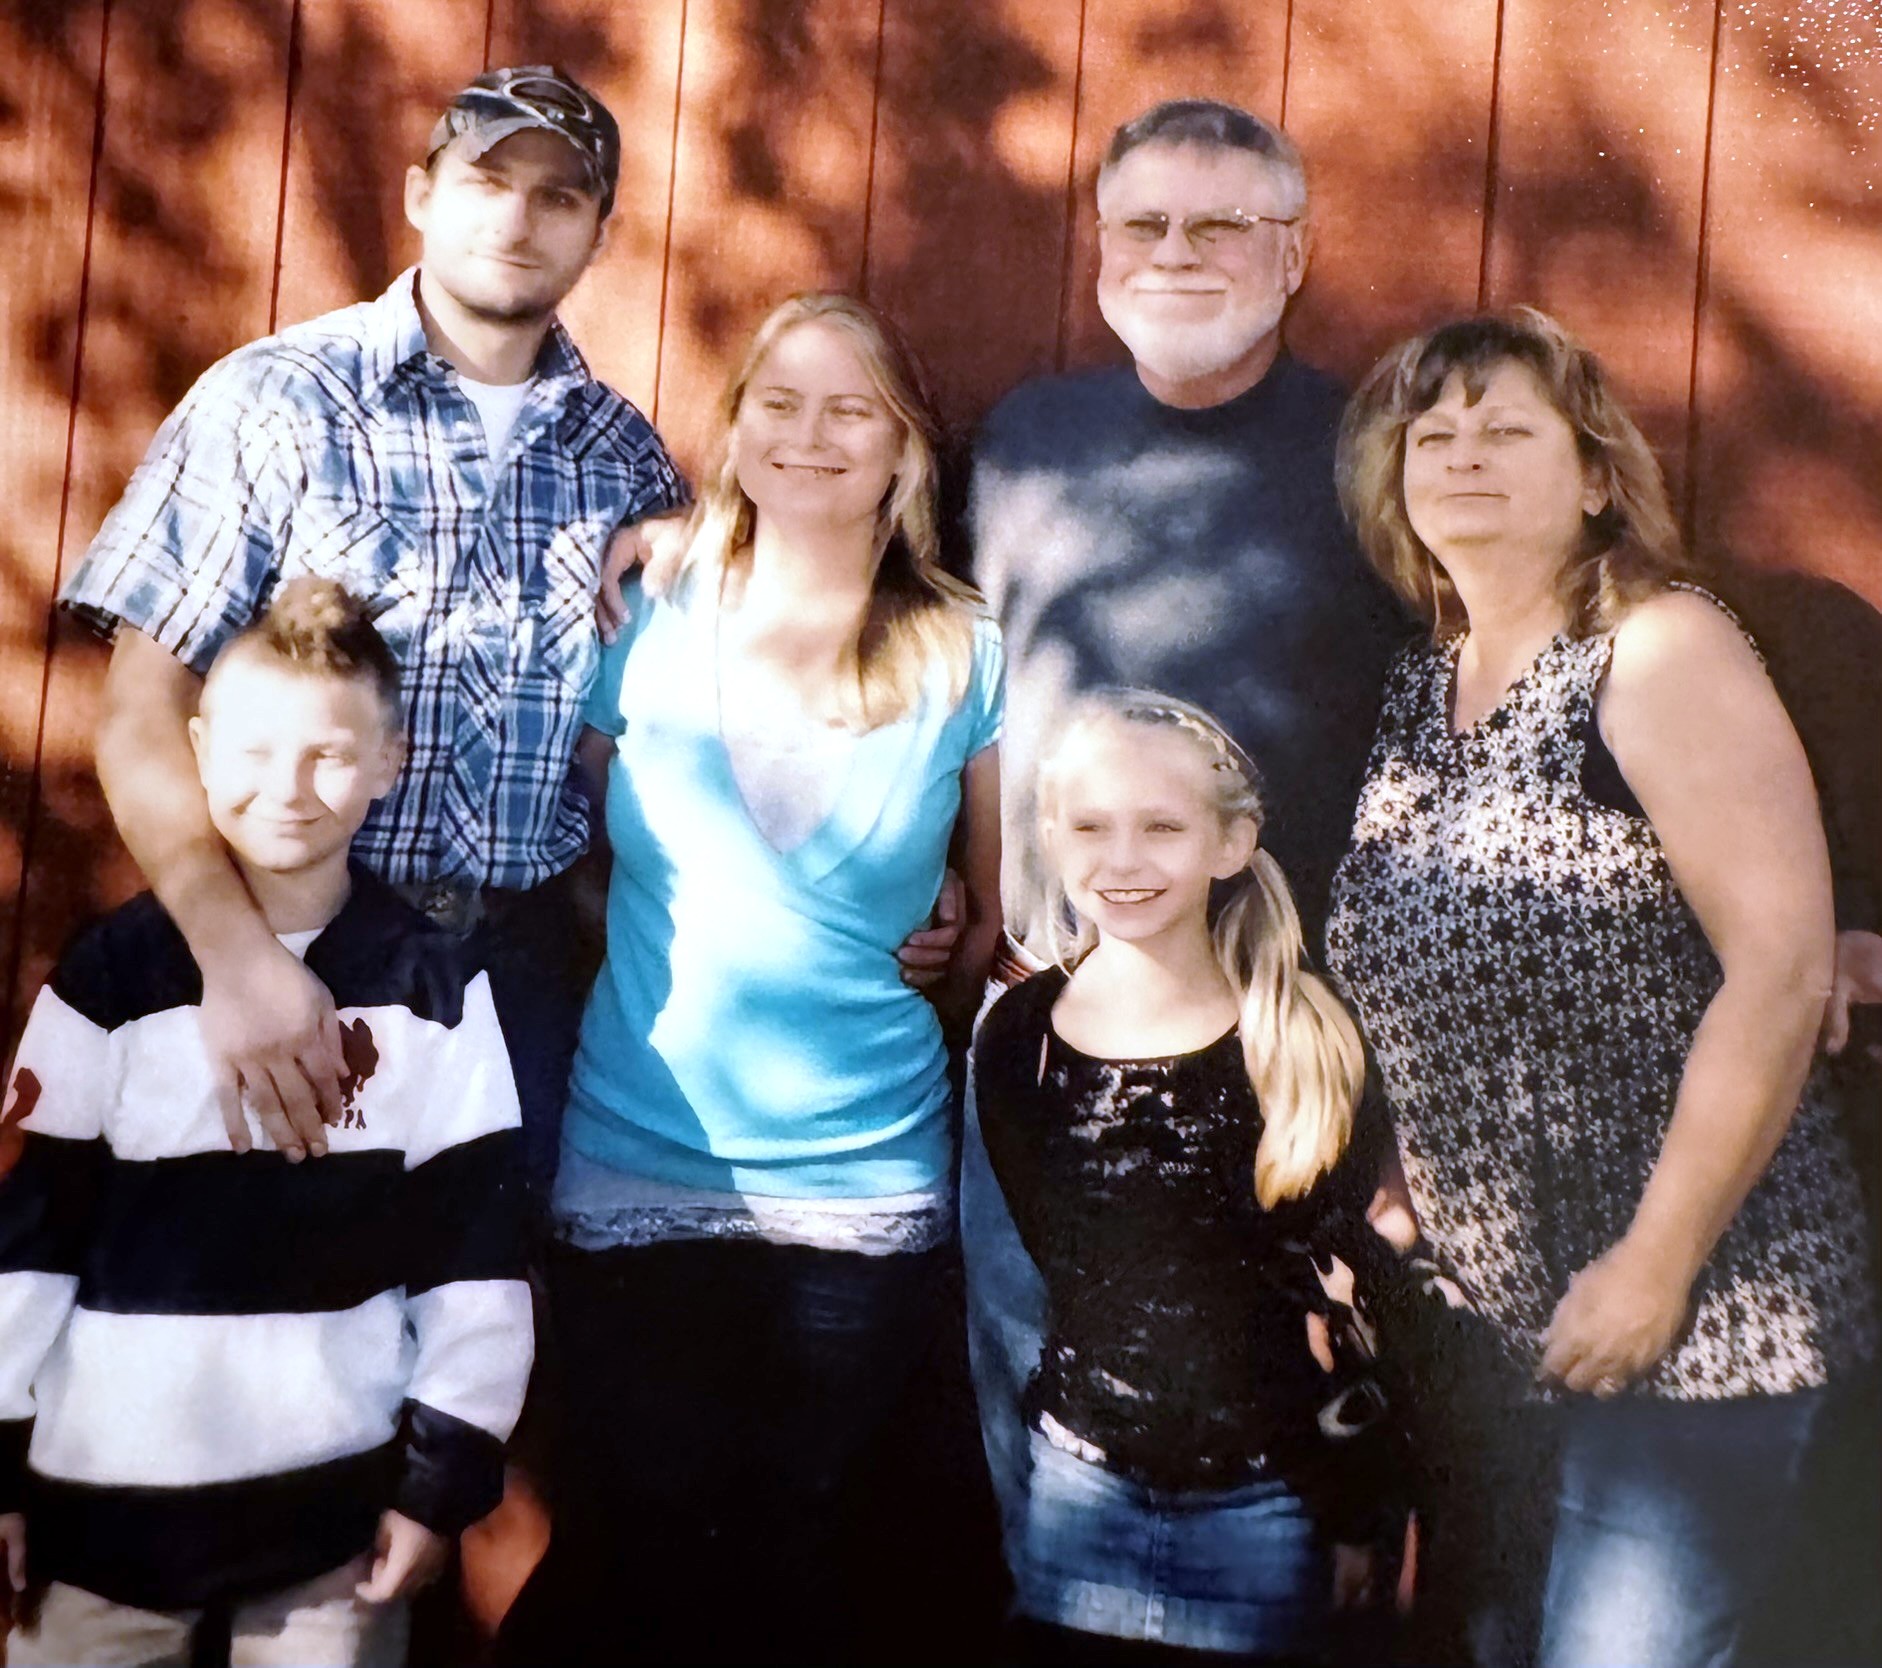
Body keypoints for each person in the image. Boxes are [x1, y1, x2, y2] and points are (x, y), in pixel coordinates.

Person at [1323, 307, 1878, 1666]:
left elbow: (1780, 968)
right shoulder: (1419, 689)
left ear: (1592, 478)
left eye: (1505, 430)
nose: (1461, 455)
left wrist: (1654, 1266)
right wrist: (1402, 1173)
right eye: (1432, 436)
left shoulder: (1657, 649)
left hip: (1699, 1321)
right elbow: (1422, 972)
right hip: (1493, 1331)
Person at [60, 65, 687, 1188]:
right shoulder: (279, 400)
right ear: (420, 195)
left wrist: (703, 537)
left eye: (558, 196)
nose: (515, 219)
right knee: (254, 1276)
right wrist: (237, 958)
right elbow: (142, 713)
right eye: (486, 181)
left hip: (520, 982)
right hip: (284, 952)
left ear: (602, 235)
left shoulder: (622, 456)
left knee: (477, 1283)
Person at [500, 292, 1003, 1665]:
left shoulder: (965, 651)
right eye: (778, 403)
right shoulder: (648, 616)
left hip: (861, 1184)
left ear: (903, 449)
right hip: (636, 1162)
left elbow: (987, 919)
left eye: (851, 409)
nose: (810, 435)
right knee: (638, 1544)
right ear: (733, 432)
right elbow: (580, 852)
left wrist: (948, 929)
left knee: (803, 1554)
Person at [953, 95, 1409, 1597]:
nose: (1175, 253)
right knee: (1040, 1432)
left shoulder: (1373, 453)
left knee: (1270, 1454)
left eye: (1221, 224)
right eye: (1142, 223)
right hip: (1049, 1033)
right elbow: (929, 656)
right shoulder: (1024, 441)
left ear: (1295, 255)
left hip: (1274, 1046)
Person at [0, 579, 532, 1668]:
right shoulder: (111, 980)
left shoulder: (430, 990)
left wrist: (437, 1488)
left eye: (328, 754)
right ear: (198, 751)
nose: (286, 788)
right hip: (103, 1524)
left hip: (330, 1532)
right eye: (251, 750)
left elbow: (473, 1261)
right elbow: (29, 1243)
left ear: (388, 763)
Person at [975, 690, 1416, 1663]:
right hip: (1078, 1495)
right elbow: (1062, 1264)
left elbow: (1342, 1294)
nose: (1123, 859)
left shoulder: (1298, 1037)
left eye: (1161, 828)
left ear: (1230, 841)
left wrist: (1357, 1509)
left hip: (1267, 1504)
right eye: (1091, 827)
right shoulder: (1018, 1041)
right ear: (1049, 838)